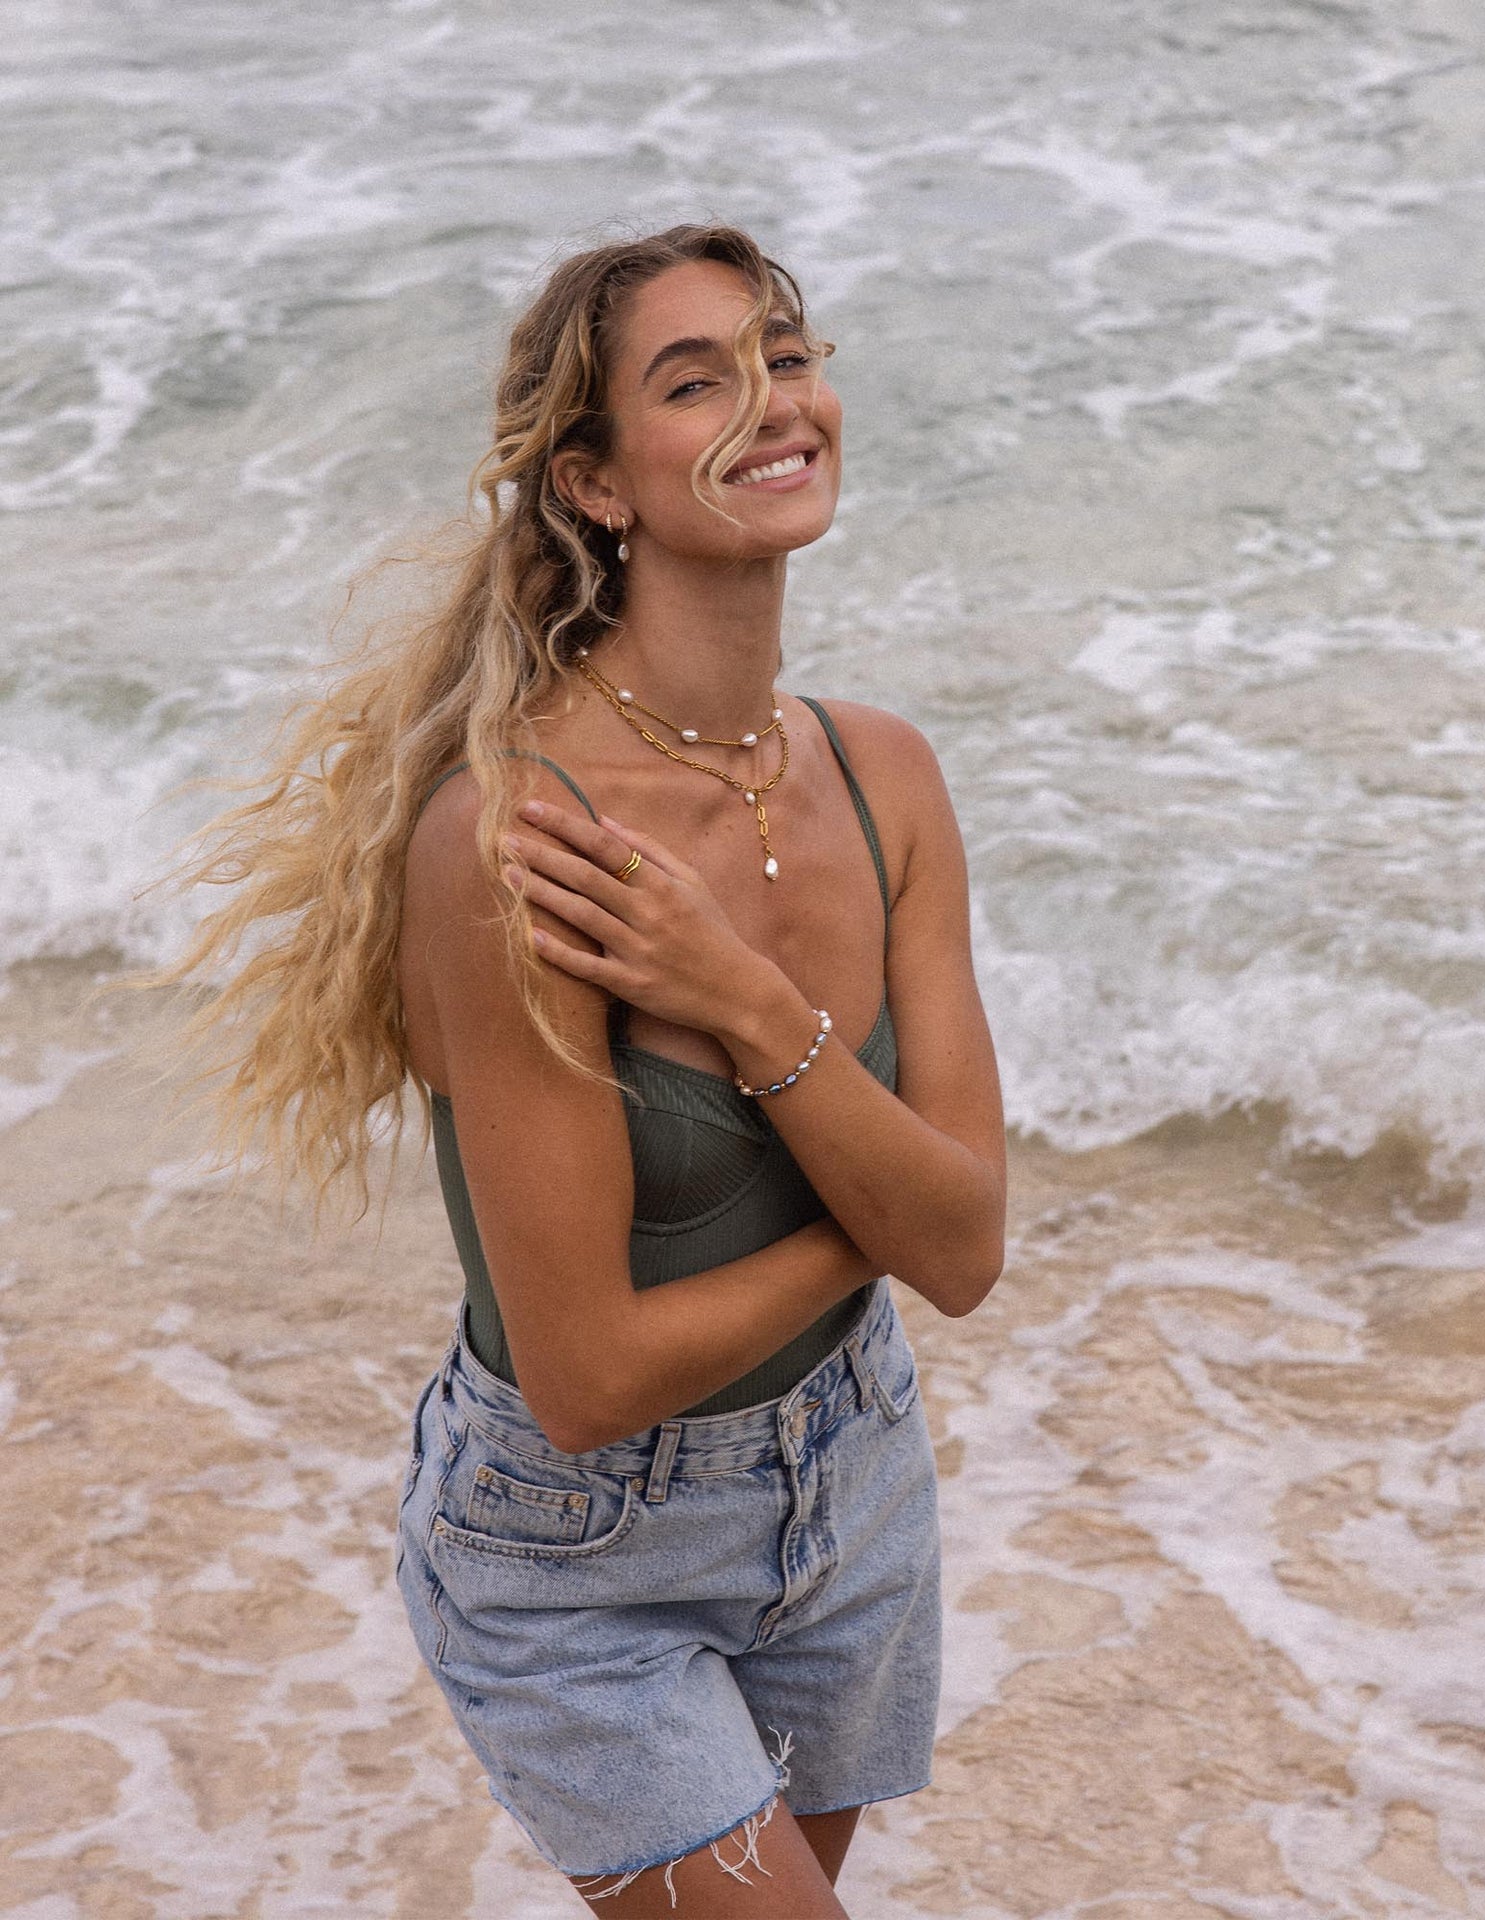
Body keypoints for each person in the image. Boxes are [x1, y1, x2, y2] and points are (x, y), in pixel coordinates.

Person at [162, 225, 1006, 1914]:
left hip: (853, 1485)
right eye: (698, 381)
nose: (778, 402)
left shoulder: (884, 772)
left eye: (789, 353)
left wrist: (743, 1004)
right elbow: (593, 1375)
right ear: (596, 484)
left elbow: (967, 1253)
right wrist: (888, 1209)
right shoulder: (519, 844)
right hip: (581, 1554)